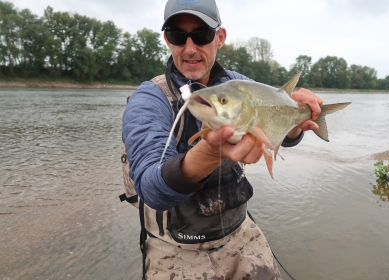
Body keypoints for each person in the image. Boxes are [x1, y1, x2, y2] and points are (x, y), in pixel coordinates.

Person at [122, 0, 323, 279]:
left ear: (220, 38)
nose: (190, 48)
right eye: (178, 36)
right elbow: (151, 188)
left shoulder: (239, 84)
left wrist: (295, 124)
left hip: (241, 233)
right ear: (167, 40)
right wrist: (209, 153)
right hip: (174, 248)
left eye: (202, 35)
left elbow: (276, 130)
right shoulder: (148, 100)